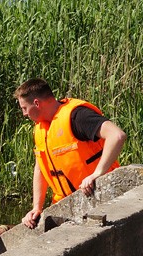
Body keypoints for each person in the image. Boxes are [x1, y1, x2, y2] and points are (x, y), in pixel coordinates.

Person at [14, 78, 126, 229]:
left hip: (100, 197)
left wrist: (97, 173)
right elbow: (40, 167)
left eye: (24, 108)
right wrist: (36, 208)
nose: (24, 114)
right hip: (65, 206)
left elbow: (117, 135)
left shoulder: (77, 116)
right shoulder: (40, 129)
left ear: (37, 103)